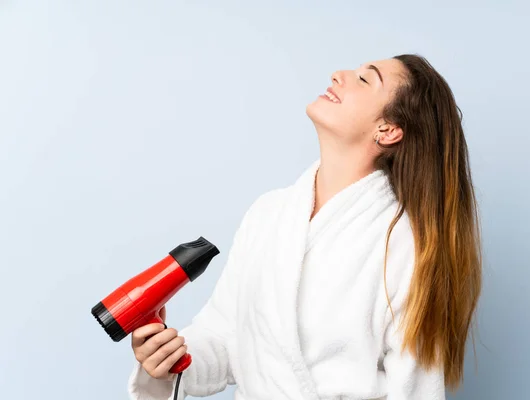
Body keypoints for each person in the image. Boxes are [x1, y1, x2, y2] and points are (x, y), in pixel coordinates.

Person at [127, 54, 482, 400]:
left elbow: (415, 389)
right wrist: (171, 360)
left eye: (364, 79)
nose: (337, 74)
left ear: (387, 130)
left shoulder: (407, 243)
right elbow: (225, 338)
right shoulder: (269, 213)